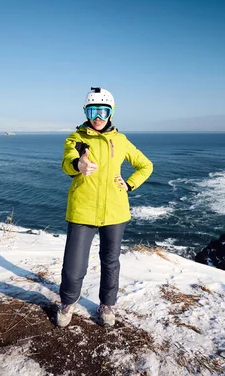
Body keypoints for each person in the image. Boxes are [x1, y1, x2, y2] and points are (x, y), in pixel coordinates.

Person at [57, 87, 153, 327]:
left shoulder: (120, 140)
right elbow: (67, 162)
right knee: (73, 263)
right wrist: (79, 165)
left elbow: (146, 165)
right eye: (92, 110)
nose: (97, 116)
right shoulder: (76, 138)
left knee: (110, 261)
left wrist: (130, 184)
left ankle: (107, 304)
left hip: (115, 211)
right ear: (85, 112)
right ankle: (68, 302)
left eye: (103, 110)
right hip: (82, 209)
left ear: (111, 112)